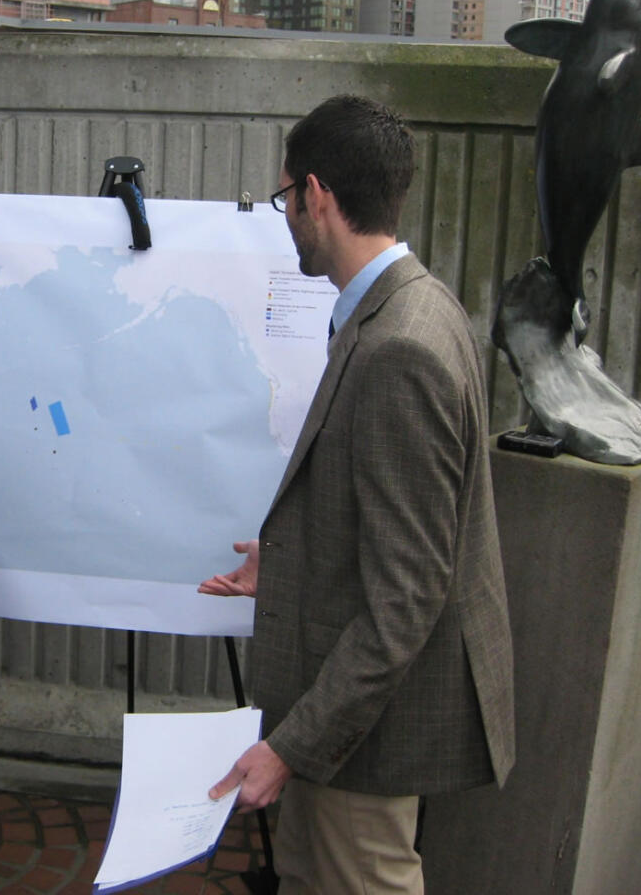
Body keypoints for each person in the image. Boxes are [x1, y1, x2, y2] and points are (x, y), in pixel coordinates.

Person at [199, 96, 515, 894]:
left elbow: (408, 595)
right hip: (355, 728)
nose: (287, 218)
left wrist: (292, 745)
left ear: (318, 196)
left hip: (361, 744)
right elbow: (396, 526)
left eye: (284, 201)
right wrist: (293, 560)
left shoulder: (398, 348)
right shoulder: (413, 305)